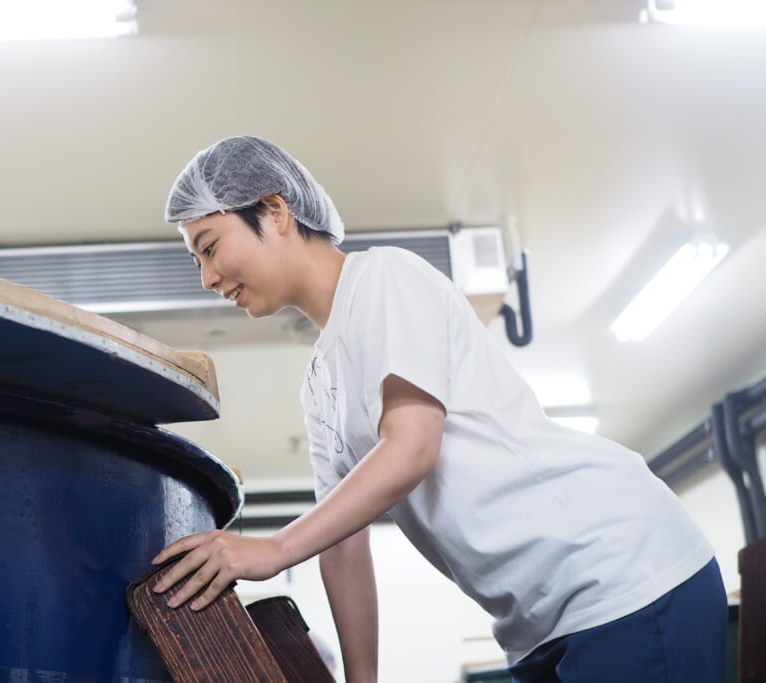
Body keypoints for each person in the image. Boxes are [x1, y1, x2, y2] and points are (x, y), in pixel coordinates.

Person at [151, 135, 727, 682]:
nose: (206, 277)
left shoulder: (386, 279)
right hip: (536, 625)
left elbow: (412, 446)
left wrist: (274, 548)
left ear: (275, 211)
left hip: (620, 572)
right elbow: (344, 548)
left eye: (209, 247)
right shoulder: (320, 383)